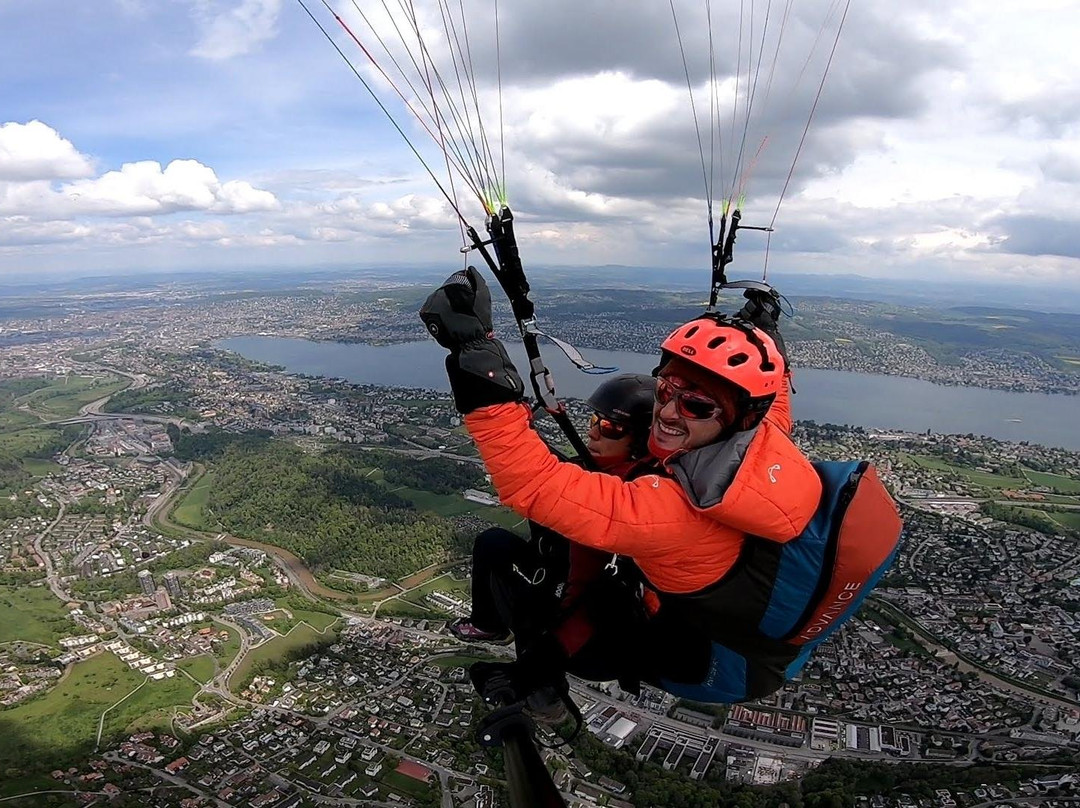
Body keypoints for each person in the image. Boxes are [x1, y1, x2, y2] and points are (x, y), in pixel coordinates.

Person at [420, 267, 823, 702]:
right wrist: (763, 336)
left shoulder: (673, 513)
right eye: (666, 391)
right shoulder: (761, 444)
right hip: (715, 638)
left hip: (693, 663)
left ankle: (541, 682)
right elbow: (774, 397)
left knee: (542, 571)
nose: (668, 412)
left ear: (739, 417)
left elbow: (531, 484)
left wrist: (475, 352)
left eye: (696, 404)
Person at [448, 373, 657, 668]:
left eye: (610, 428)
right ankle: (488, 624)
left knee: (528, 601)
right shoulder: (614, 472)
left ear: (642, 441)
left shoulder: (626, 494)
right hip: (562, 573)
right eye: (595, 421)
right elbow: (556, 467)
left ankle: (539, 691)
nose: (595, 432)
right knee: (492, 543)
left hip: (589, 629)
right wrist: (524, 429)